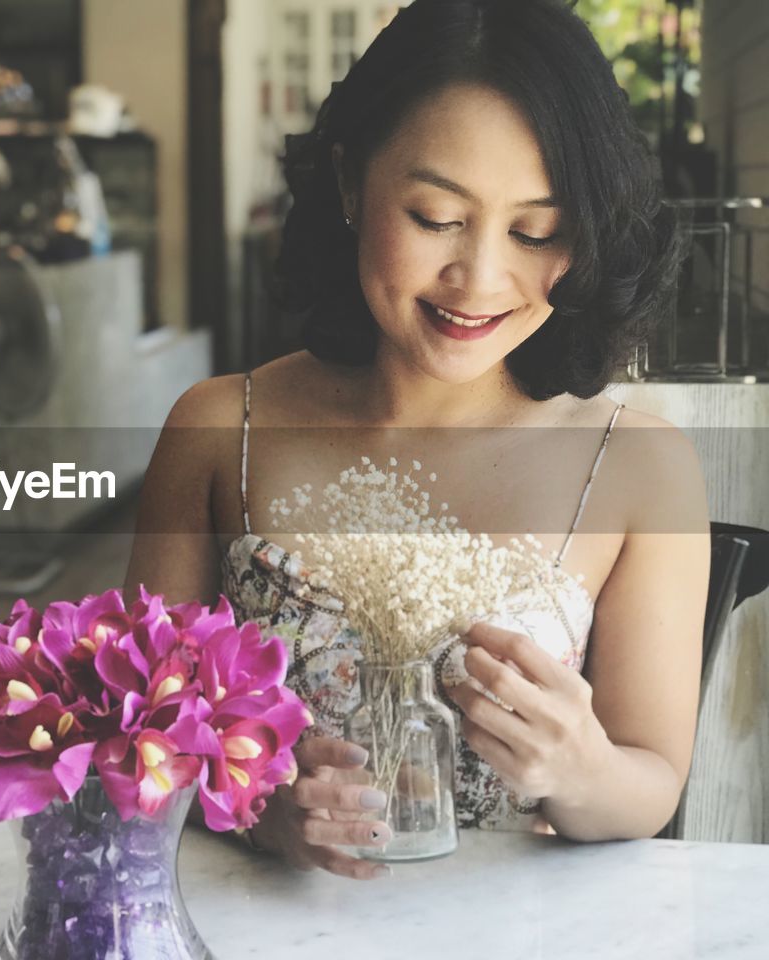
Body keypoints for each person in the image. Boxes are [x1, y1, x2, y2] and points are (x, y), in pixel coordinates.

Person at [124, 0, 709, 880]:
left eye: (536, 231)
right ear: (351, 184)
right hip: (266, 923)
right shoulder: (220, 432)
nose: (478, 278)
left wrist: (579, 768)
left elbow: (652, 778)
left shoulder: (638, 467)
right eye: (437, 216)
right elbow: (144, 740)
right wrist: (258, 807)